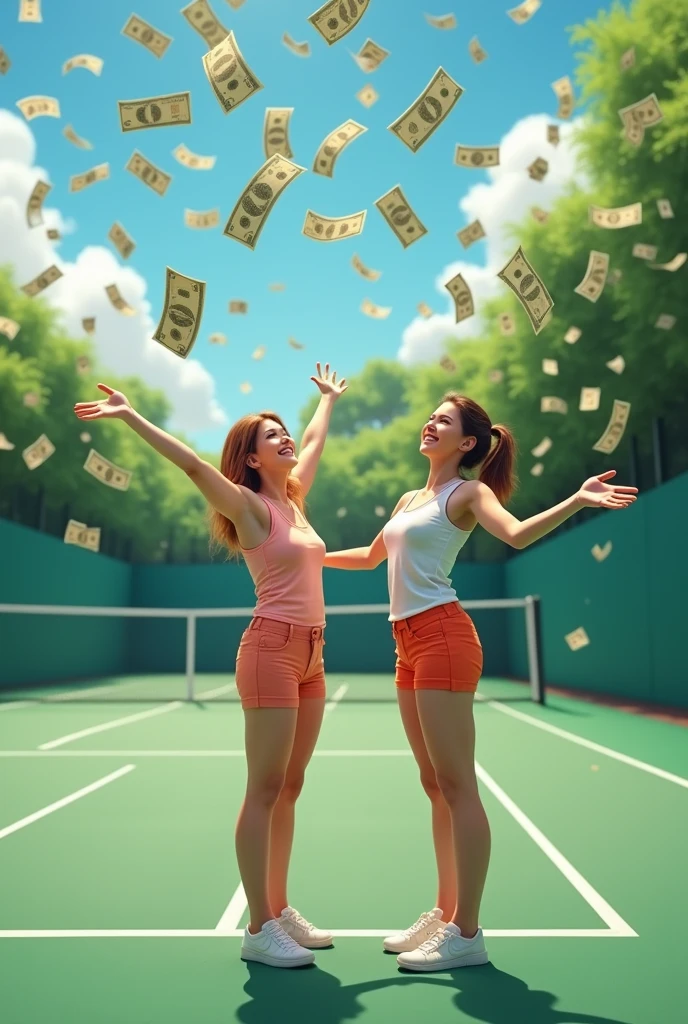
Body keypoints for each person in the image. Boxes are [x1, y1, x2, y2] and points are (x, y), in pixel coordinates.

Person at [324, 391, 637, 973]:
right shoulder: (408, 498)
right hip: (407, 643)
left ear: (467, 443)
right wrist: (306, 553)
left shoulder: (469, 492)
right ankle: (445, 913)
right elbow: (370, 558)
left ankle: (466, 933)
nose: (430, 423)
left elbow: (515, 535)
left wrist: (578, 499)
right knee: (433, 784)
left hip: (444, 636)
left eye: (443, 420)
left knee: (456, 783)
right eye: (432, 416)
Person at [74, 363, 348, 970]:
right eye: (269, 435)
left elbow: (313, 443)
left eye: (282, 431)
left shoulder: (295, 500)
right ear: (250, 459)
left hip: (312, 655)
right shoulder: (249, 507)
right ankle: (258, 927)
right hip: (271, 651)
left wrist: (327, 401)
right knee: (266, 788)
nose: (283, 438)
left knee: (292, 788)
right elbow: (195, 466)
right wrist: (131, 415)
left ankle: (279, 908)